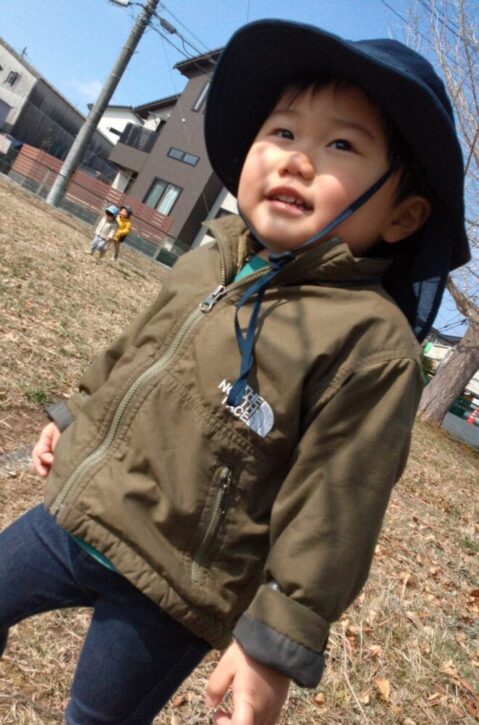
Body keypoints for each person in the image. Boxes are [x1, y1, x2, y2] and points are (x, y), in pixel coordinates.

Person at [0, 19, 469, 725]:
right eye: (282, 131)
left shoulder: (369, 343)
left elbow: (336, 505)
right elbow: (135, 350)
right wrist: (73, 416)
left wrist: (274, 641)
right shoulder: (208, 260)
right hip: (77, 510)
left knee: (96, 717)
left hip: (172, 585)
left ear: (403, 216)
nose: (296, 160)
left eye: (341, 145)